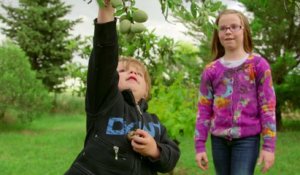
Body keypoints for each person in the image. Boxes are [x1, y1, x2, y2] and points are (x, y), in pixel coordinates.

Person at [64, 1, 180, 175]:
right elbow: (104, 60)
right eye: (123, 71)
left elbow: (171, 158)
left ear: (147, 91)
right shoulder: (105, 102)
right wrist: (107, 11)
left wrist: (155, 151)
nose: (132, 73)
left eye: (138, 74)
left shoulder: (155, 123)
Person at [194, 9, 276, 175]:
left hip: (247, 140)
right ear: (218, 34)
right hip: (218, 141)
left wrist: (269, 146)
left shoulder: (259, 65)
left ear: (243, 30)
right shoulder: (211, 70)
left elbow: (267, 108)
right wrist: (200, 146)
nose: (228, 31)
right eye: (223, 28)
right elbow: (203, 110)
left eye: (234, 27)